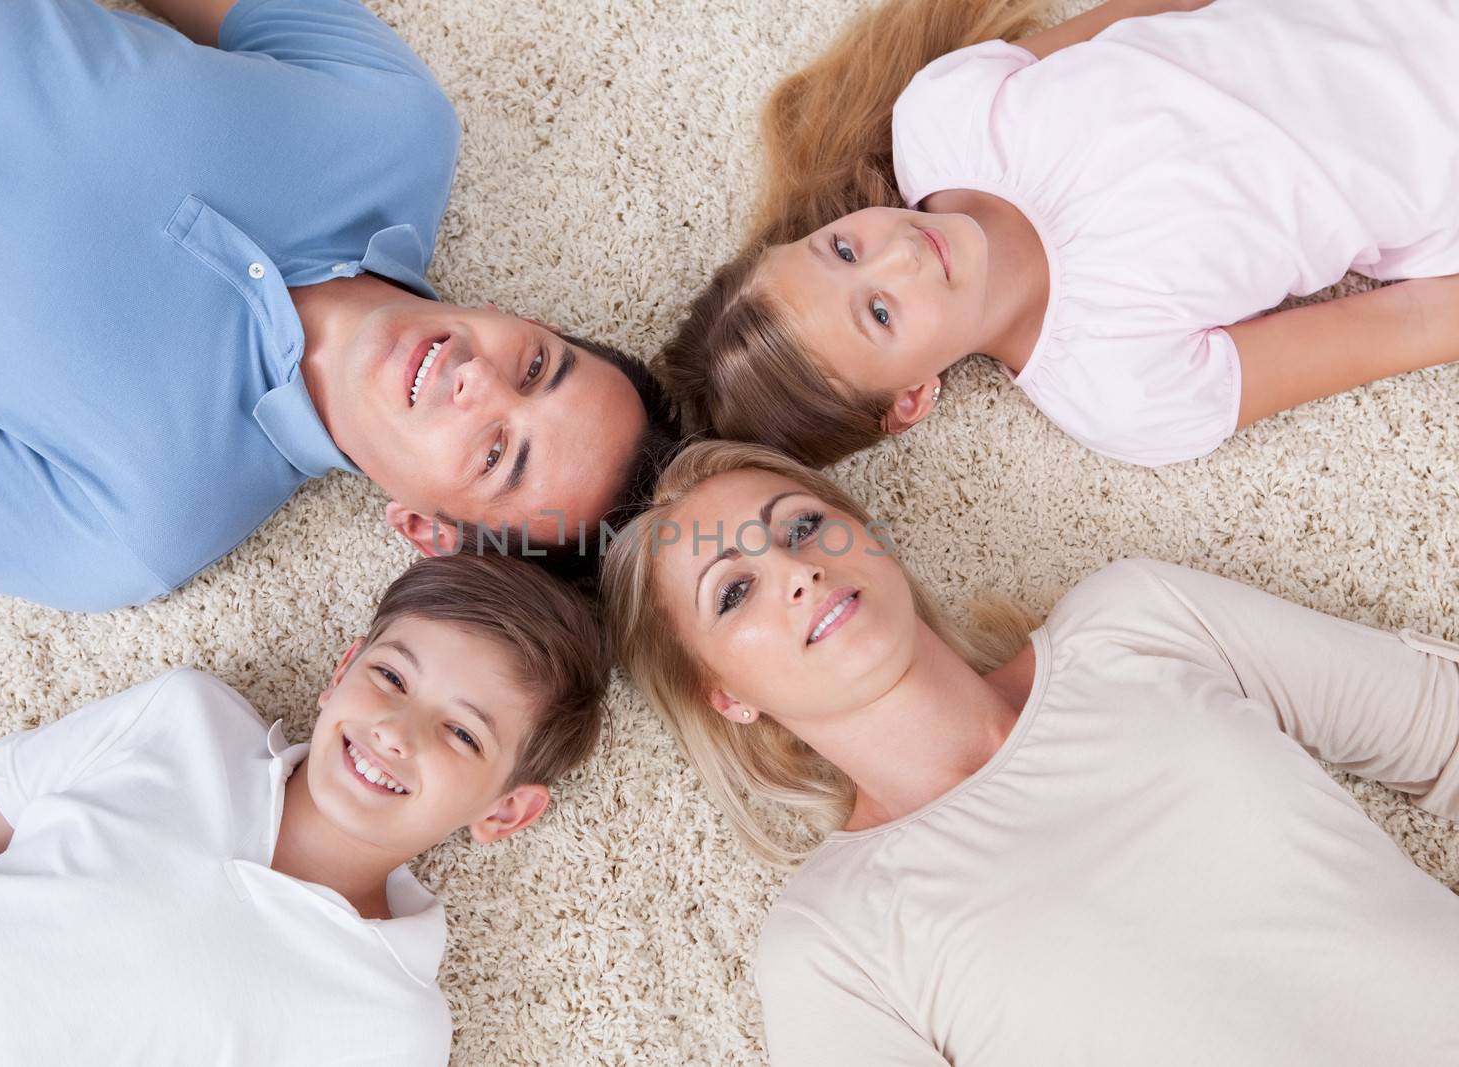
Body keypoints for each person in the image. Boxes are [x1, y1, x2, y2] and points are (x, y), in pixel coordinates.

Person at [601, 439, 1459, 1066]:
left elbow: (1441, 727)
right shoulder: (832, 942)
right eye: (735, 590)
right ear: (728, 696)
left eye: (802, 526)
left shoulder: (1137, 622)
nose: (798, 572)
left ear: (873, 537)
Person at [0, 0, 679, 612]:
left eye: (497, 453)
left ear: (427, 529)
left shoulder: (141, 525)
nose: (480, 380)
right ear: (517, 314)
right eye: (536, 366)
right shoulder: (398, 124)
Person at [0, 552, 607, 1065]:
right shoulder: (182, 721)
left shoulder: (389, 1024)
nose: (393, 730)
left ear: (506, 812)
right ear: (342, 669)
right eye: (390, 675)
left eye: (461, 731)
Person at [659, 0, 1459, 468]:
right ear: (911, 400)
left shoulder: (943, 117)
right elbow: (1405, 325)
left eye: (840, 249)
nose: (898, 252)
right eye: (879, 313)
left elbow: (1137, 16)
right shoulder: (1121, 391)